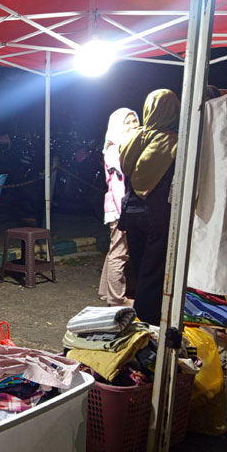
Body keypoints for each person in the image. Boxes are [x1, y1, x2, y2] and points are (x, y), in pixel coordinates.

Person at [118, 89, 180, 325]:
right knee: (153, 272)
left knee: (138, 266)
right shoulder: (174, 140)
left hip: (132, 211)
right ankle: (148, 324)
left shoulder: (133, 137)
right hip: (157, 213)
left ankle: (137, 319)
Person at [98, 108, 140, 306]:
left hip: (118, 207)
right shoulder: (116, 150)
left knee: (114, 249)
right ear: (117, 126)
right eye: (128, 122)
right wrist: (125, 215)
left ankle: (106, 292)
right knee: (120, 253)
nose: (133, 125)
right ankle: (117, 299)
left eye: (135, 121)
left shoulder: (121, 148)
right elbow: (117, 186)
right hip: (119, 209)